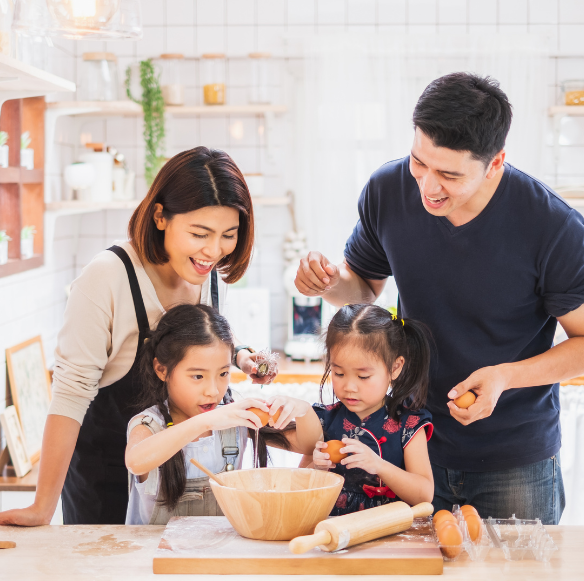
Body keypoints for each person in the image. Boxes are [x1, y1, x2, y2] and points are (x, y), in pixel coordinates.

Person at [295, 73, 584, 524]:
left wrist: (505, 377)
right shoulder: (387, 190)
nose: (427, 187)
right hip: (412, 448)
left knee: (516, 572)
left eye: (450, 175)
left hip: (515, 459)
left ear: (495, 163)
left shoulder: (551, 226)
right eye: (420, 162)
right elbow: (363, 288)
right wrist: (328, 283)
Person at [0, 147, 275, 527]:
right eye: (199, 233)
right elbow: (70, 394)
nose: (214, 251)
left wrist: (240, 354)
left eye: (228, 235)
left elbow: (200, 342)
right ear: (160, 216)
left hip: (184, 483)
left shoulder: (208, 274)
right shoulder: (107, 276)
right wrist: (41, 508)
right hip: (108, 482)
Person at [125, 303, 321, 525]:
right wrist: (205, 421)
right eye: (198, 376)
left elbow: (309, 446)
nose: (213, 391)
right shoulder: (149, 424)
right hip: (156, 548)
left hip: (220, 546)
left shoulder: (232, 419)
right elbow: (136, 462)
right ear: (162, 370)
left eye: (223, 373)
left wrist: (304, 410)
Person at [310, 304, 434, 516]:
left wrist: (379, 465)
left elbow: (424, 494)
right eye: (339, 373)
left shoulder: (409, 425)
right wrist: (315, 467)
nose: (349, 386)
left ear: (395, 368)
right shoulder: (322, 420)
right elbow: (300, 483)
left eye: (363, 376)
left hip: (388, 530)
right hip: (333, 528)